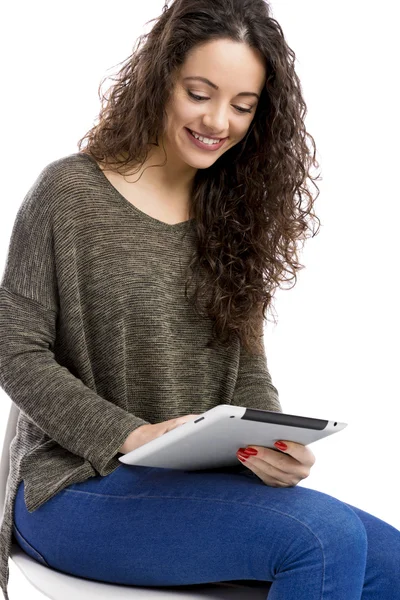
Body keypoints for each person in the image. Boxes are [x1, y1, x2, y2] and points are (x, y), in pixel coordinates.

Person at [0, 0, 399, 599]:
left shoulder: (234, 217)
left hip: (194, 484)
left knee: (391, 562)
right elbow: (15, 349)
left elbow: (248, 370)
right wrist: (128, 435)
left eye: (243, 106)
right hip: (74, 486)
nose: (219, 120)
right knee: (323, 538)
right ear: (162, 81)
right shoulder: (69, 192)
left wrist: (272, 446)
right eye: (199, 93)